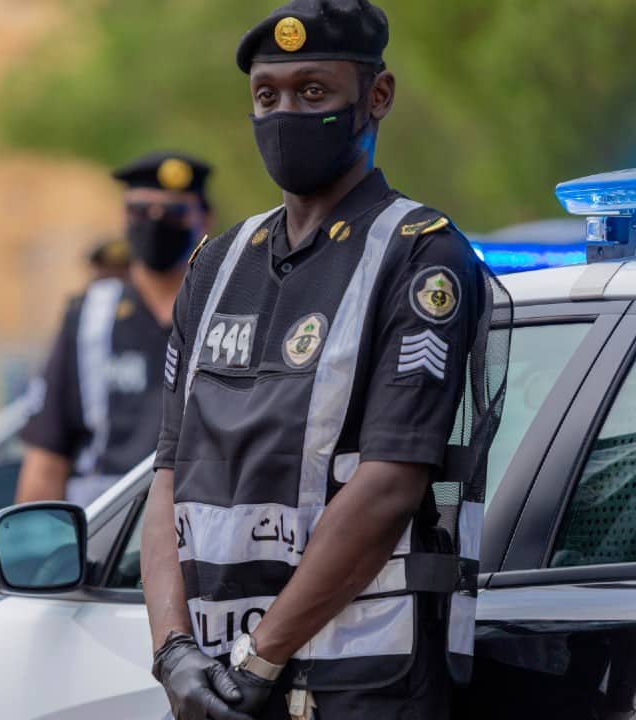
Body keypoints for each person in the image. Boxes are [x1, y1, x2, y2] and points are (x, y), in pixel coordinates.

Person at [140, 2, 508, 718]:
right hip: (219, 686)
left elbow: (388, 488)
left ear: (377, 97)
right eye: (267, 95)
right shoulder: (217, 264)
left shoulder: (418, 253)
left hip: (358, 685)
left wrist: (262, 657)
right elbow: (167, 480)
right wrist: (172, 651)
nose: (285, 112)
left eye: (314, 92)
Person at [16, 152, 215, 506]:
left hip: (201, 524)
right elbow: (46, 460)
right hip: (109, 533)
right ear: (123, 218)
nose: (154, 223)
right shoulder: (90, 316)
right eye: (139, 211)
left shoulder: (228, 307)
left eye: (173, 213)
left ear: (204, 219)